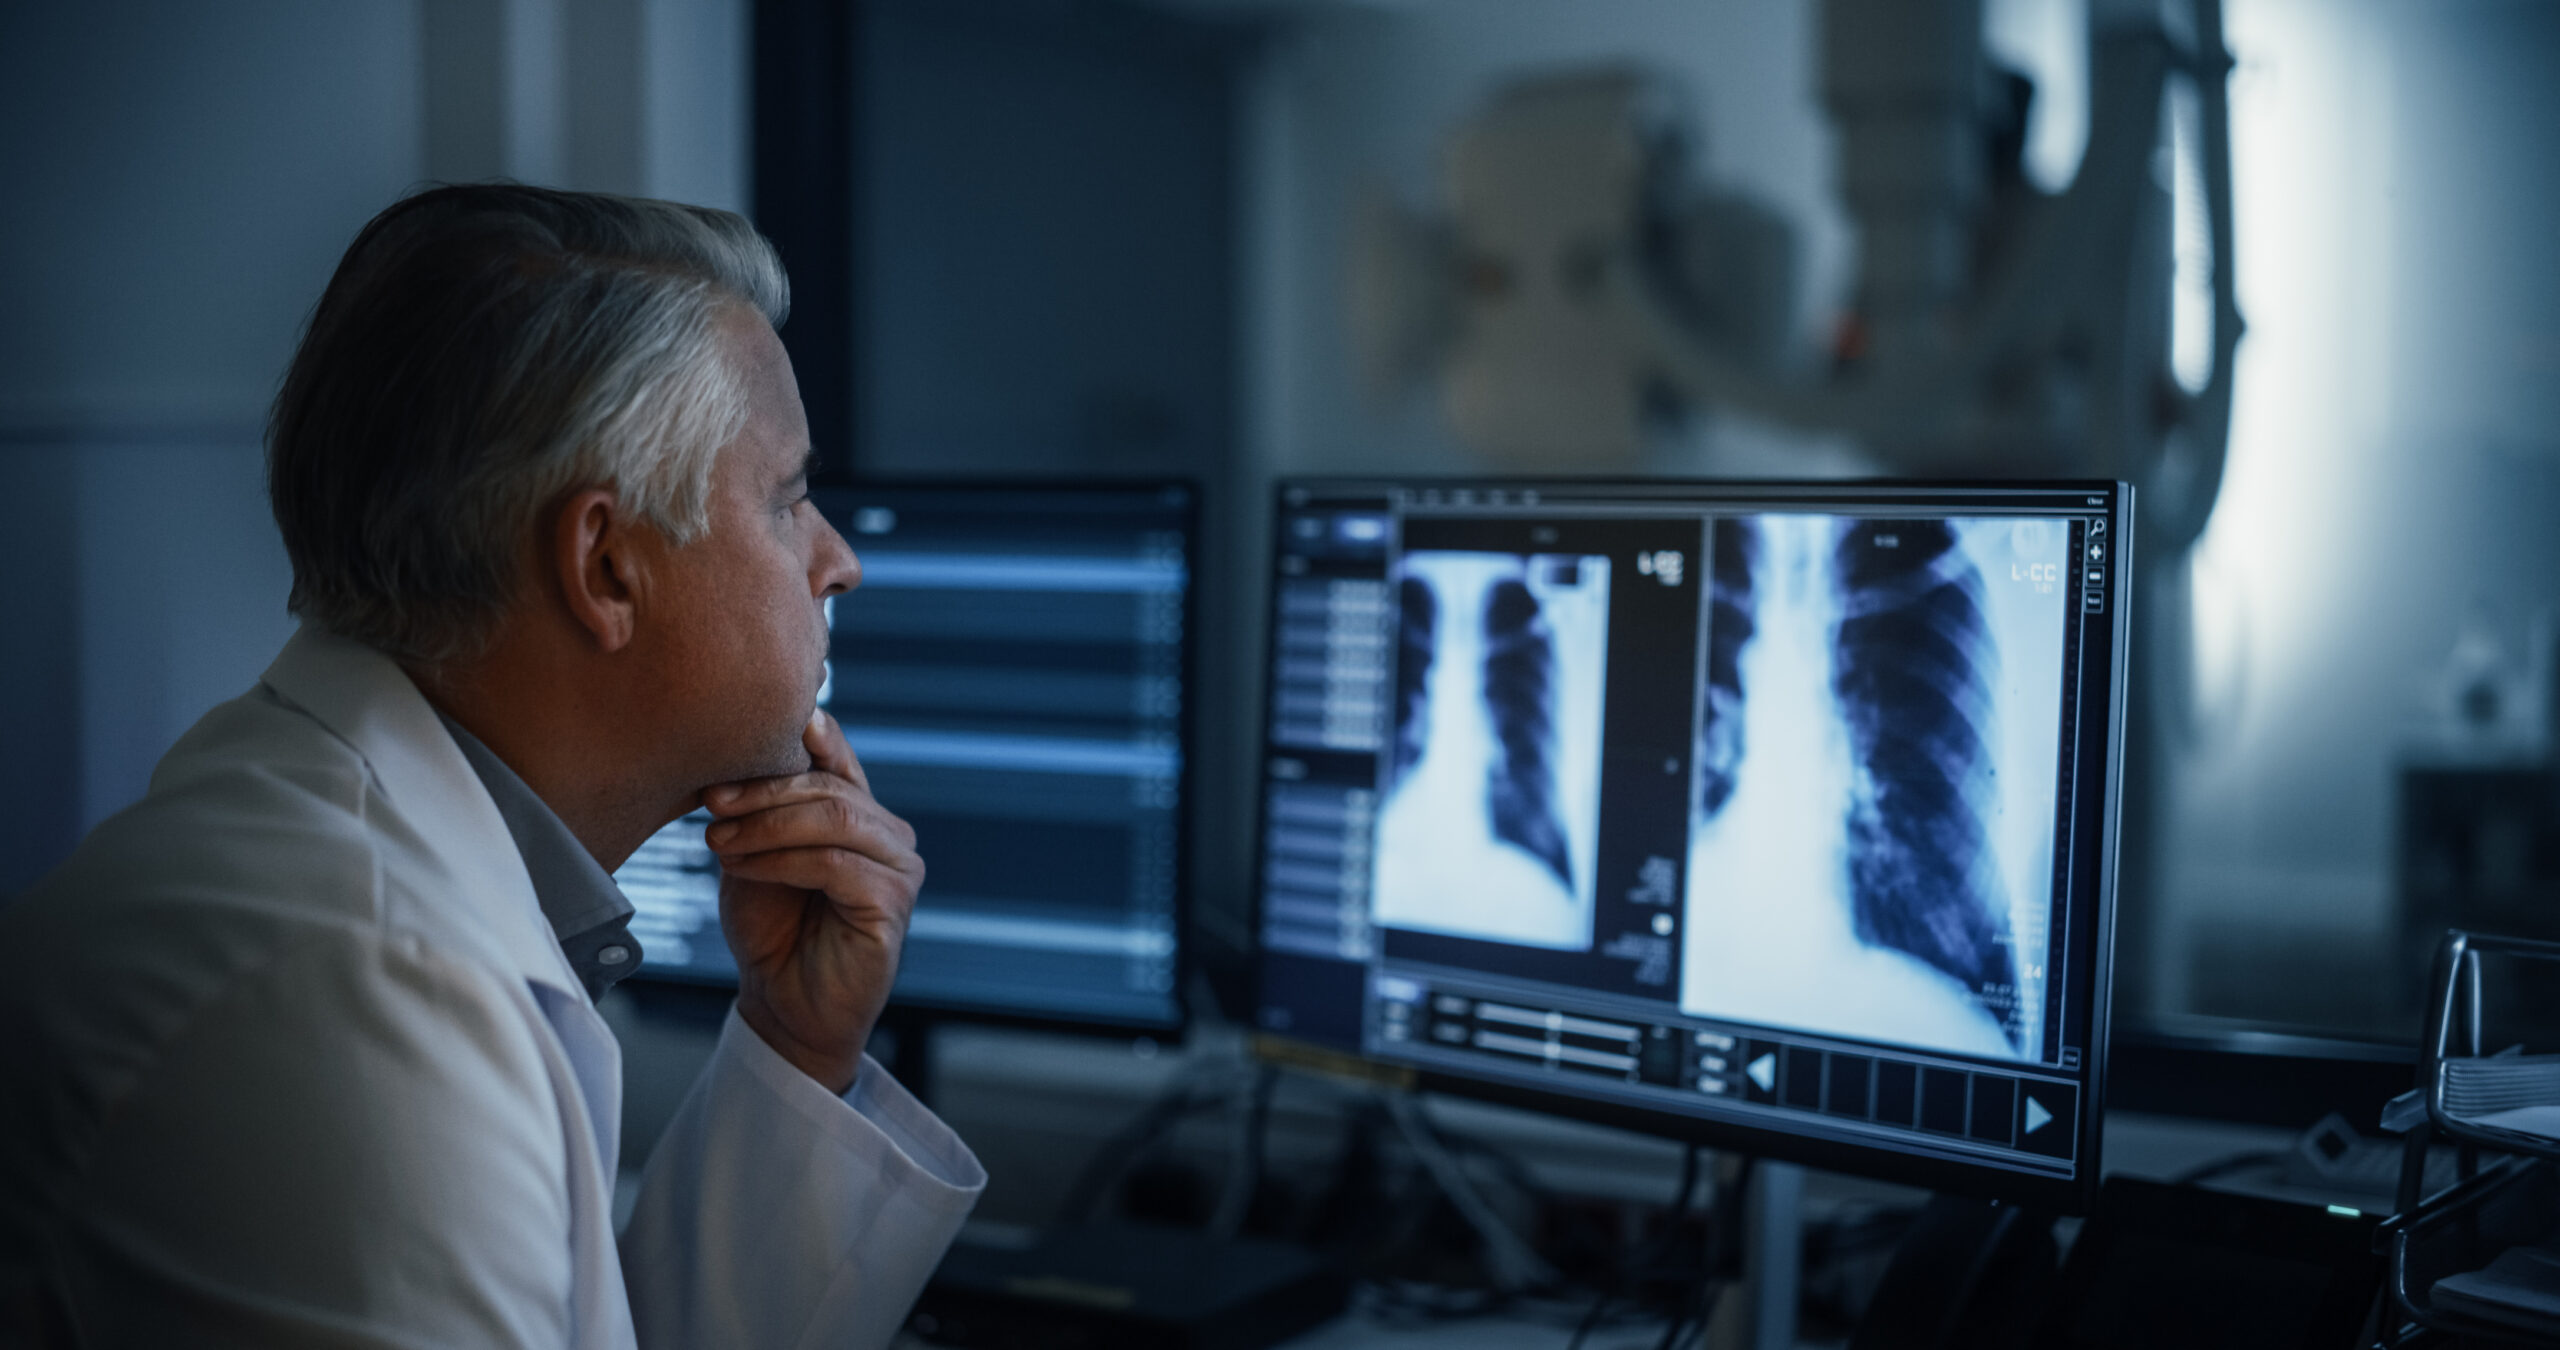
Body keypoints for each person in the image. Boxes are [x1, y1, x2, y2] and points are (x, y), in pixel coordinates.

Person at [0, 184, 984, 1348]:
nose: (839, 562)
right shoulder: (358, 988)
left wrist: (796, 1043)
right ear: (606, 567)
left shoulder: (340, 860)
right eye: (789, 501)